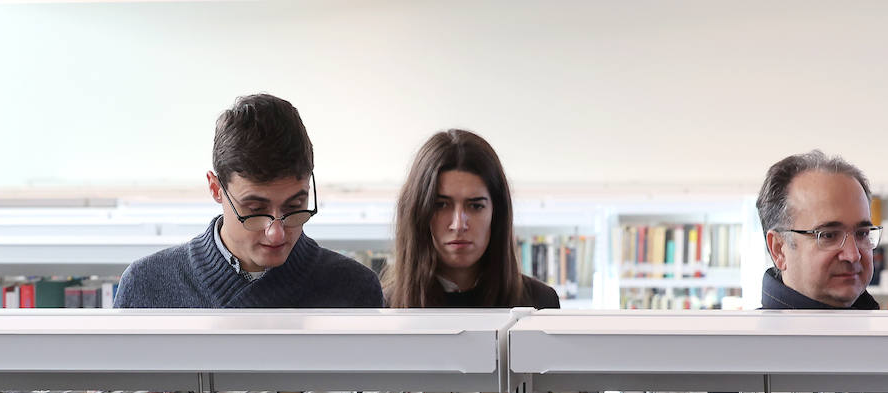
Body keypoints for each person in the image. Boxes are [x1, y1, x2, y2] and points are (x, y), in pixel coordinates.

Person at [113, 94, 383, 309]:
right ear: (216, 188)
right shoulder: (145, 285)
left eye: (294, 207)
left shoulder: (354, 289)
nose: (276, 233)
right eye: (255, 210)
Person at [756, 150, 888, 393]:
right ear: (779, 249)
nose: (853, 254)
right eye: (828, 235)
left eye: (862, 233)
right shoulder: (743, 363)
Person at [384, 129, 560, 309]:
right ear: (418, 213)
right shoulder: (384, 308)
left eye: (476, 206)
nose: (458, 225)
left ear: (496, 213)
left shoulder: (540, 302)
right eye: (441, 205)